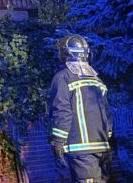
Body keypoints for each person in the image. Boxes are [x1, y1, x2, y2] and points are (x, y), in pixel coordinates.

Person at [48, 34, 113, 183]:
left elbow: (62, 112)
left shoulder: (63, 77)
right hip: (102, 149)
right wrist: (106, 139)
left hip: (81, 151)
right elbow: (108, 117)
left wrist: (58, 143)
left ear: (66, 52)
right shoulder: (98, 80)